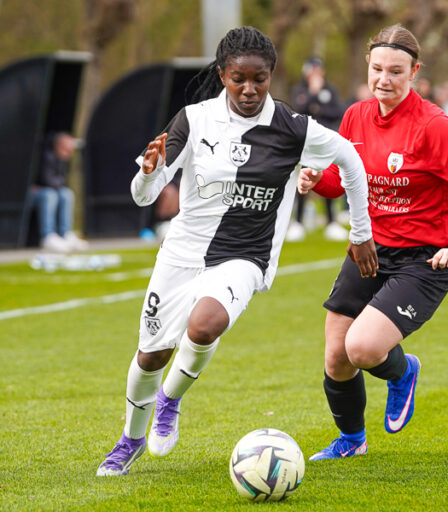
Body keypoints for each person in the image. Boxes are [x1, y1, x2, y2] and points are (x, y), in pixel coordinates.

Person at [96, 26, 376, 477]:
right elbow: (144, 197)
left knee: (205, 325)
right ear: (223, 74)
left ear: (272, 76)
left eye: (259, 80)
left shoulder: (292, 128)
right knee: (151, 354)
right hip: (182, 253)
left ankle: (169, 400)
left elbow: (351, 161)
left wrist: (360, 233)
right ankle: (129, 439)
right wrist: (149, 173)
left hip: (245, 256)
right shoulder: (193, 119)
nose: (249, 90)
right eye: (238, 79)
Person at [297, 24, 448, 461]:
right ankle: (352, 441)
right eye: (376, 69)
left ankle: (403, 369)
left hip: (424, 260)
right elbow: (347, 181)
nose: (383, 79)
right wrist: (317, 180)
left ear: (414, 74)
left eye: (395, 71)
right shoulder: (354, 116)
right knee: (336, 356)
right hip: (369, 247)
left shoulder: (434, 127)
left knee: (364, 348)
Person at [287, 56, 348, 242]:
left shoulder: (330, 89)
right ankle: (297, 222)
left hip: (326, 143)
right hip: (306, 143)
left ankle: (331, 222)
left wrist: (318, 108)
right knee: (304, 179)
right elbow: (299, 110)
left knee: (327, 179)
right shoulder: (300, 89)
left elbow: (337, 111)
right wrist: (313, 95)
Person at [28, 132, 88, 252]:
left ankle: (65, 233)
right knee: (50, 195)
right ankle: (48, 236)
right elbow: (47, 181)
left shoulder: (62, 160)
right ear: (60, 146)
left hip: (49, 190)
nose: (70, 152)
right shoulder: (45, 156)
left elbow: (61, 182)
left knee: (66, 194)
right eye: (68, 148)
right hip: (33, 194)